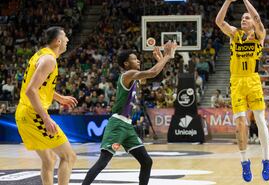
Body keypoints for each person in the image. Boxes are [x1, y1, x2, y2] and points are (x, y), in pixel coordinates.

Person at [82, 41, 177, 185]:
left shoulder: (136, 78)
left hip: (127, 126)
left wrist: (160, 60)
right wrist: (167, 56)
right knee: (103, 161)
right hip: (117, 125)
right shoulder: (128, 74)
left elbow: (156, 77)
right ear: (126, 64)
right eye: (134, 58)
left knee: (146, 161)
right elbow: (152, 72)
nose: (138, 60)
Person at [215, 0, 269, 182]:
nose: (244, 19)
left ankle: (266, 160)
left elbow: (257, 18)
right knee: (240, 125)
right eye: (242, 18)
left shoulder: (259, 36)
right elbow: (219, 21)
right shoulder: (235, 35)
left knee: (260, 120)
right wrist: (230, 0)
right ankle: (245, 162)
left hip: (253, 81)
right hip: (237, 82)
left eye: (247, 18)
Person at [15, 27, 78, 185]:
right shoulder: (49, 60)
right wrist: (46, 118)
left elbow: (39, 86)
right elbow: (31, 90)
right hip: (33, 114)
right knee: (69, 157)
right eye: (65, 37)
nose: (68, 40)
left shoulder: (40, 54)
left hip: (23, 112)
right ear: (58, 42)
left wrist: (59, 97)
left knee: (49, 160)